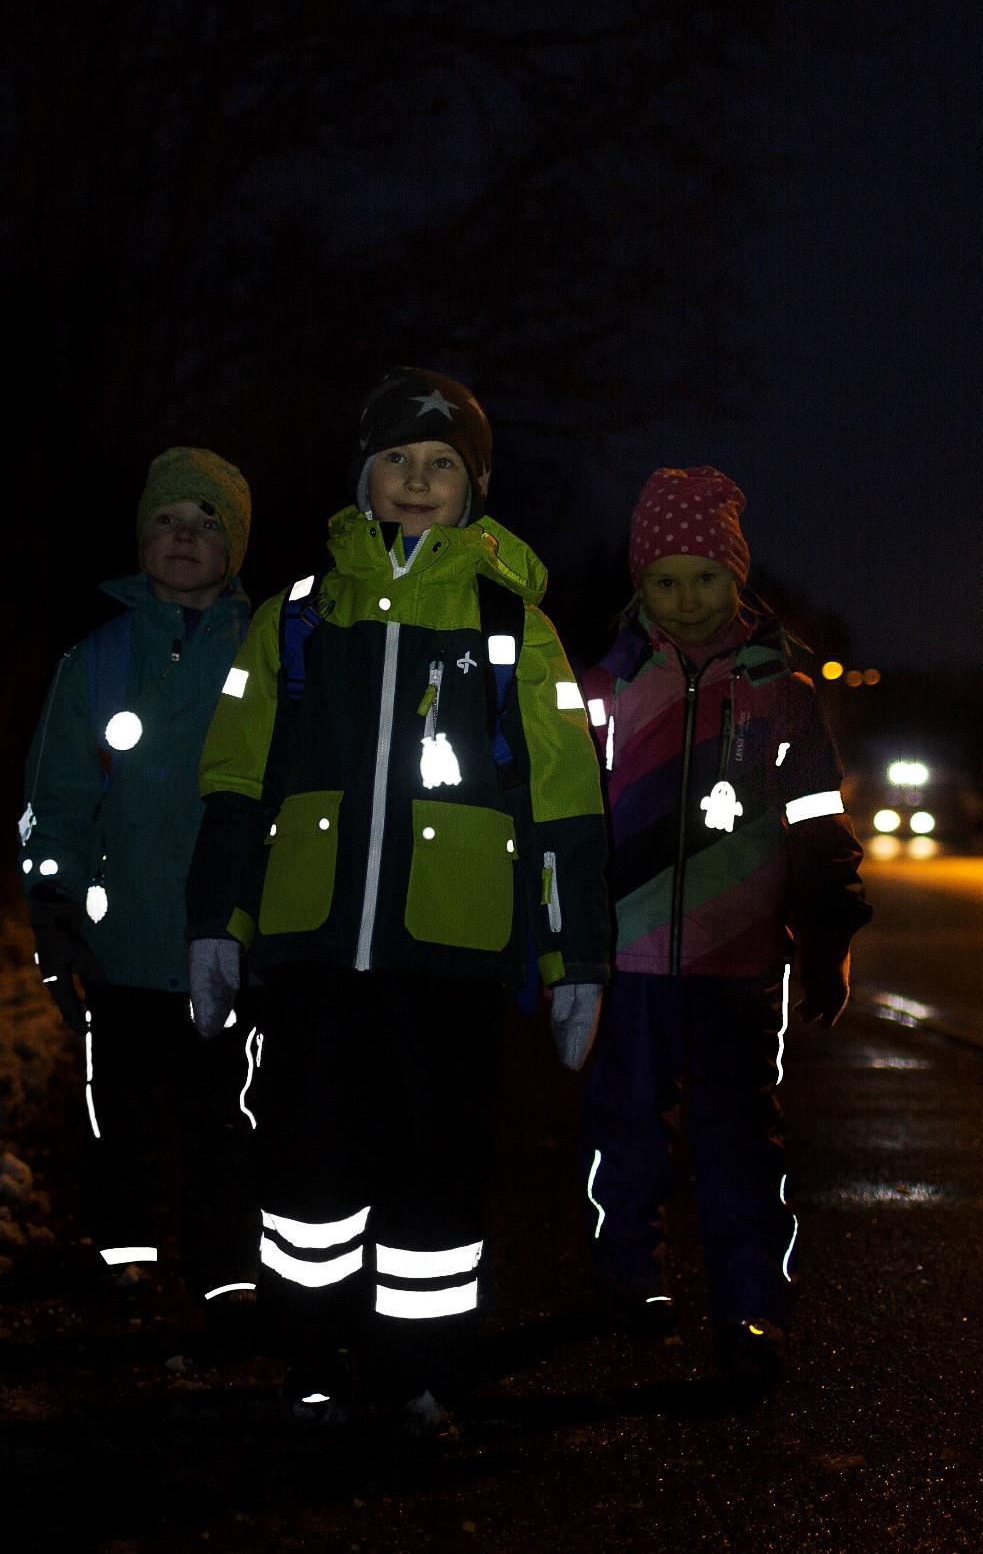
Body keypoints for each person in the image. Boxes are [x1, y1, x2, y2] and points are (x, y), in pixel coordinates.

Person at [185, 367, 610, 1432]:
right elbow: (239, 780)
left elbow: (564, 809)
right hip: (312, 952)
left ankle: (419, 1372)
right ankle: (311, 1355)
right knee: (305, 1164)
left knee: (437, 1166)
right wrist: (214, 925)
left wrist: (576, 961)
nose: (417, 483)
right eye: (396, 462)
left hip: (451, 961)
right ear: (362, 478)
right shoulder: (293, 617)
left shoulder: (515, 626)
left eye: (440, 466)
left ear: (471, 490)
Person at [578, 465, 871, 1385]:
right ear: (639, 586)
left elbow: (821, 826)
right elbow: (562, 813)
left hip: (739, 964)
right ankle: (629, 1277)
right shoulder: (606, 685)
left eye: (705, 576)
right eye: (663, 579)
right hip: (625, 960)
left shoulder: (780, 691)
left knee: (738, 1139)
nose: (686, 597)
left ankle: (751, 1308)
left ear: (736, 577)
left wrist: (825, 944)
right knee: (623, 1128)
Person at [20, 446, 259, 1327]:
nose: (183, 536)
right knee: (119, 1107)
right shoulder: (95, 658)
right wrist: (52, 899)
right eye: (166, 519)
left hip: (235, 939)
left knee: (226, 1109)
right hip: (118, 944)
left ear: (234, 541)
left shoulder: (271, 648)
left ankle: (228, 1264)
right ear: (139, 536)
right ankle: (124, 1251)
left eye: (205, 520)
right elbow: (59, 793)